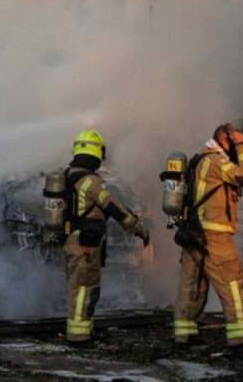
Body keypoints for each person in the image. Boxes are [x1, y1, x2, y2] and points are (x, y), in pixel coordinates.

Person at [173, 123, 243, 349]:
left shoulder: (199, 160)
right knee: (232, 281)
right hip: (213, 234)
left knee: (191, 285)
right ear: (226, 139)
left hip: (194, 233)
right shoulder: (214, 160)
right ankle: (241, 336)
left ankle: (184, 334)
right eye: (234, 142)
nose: (237, 148)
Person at [62, 129, 150, 348]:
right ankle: (79, 337)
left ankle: (83, 331)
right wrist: (139, 229)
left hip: (70, 240)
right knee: (85, 289)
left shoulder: (67, 176)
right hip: (86, 245)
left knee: (77, 288)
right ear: (97, 152)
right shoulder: (92, 182)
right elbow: (115, 209)